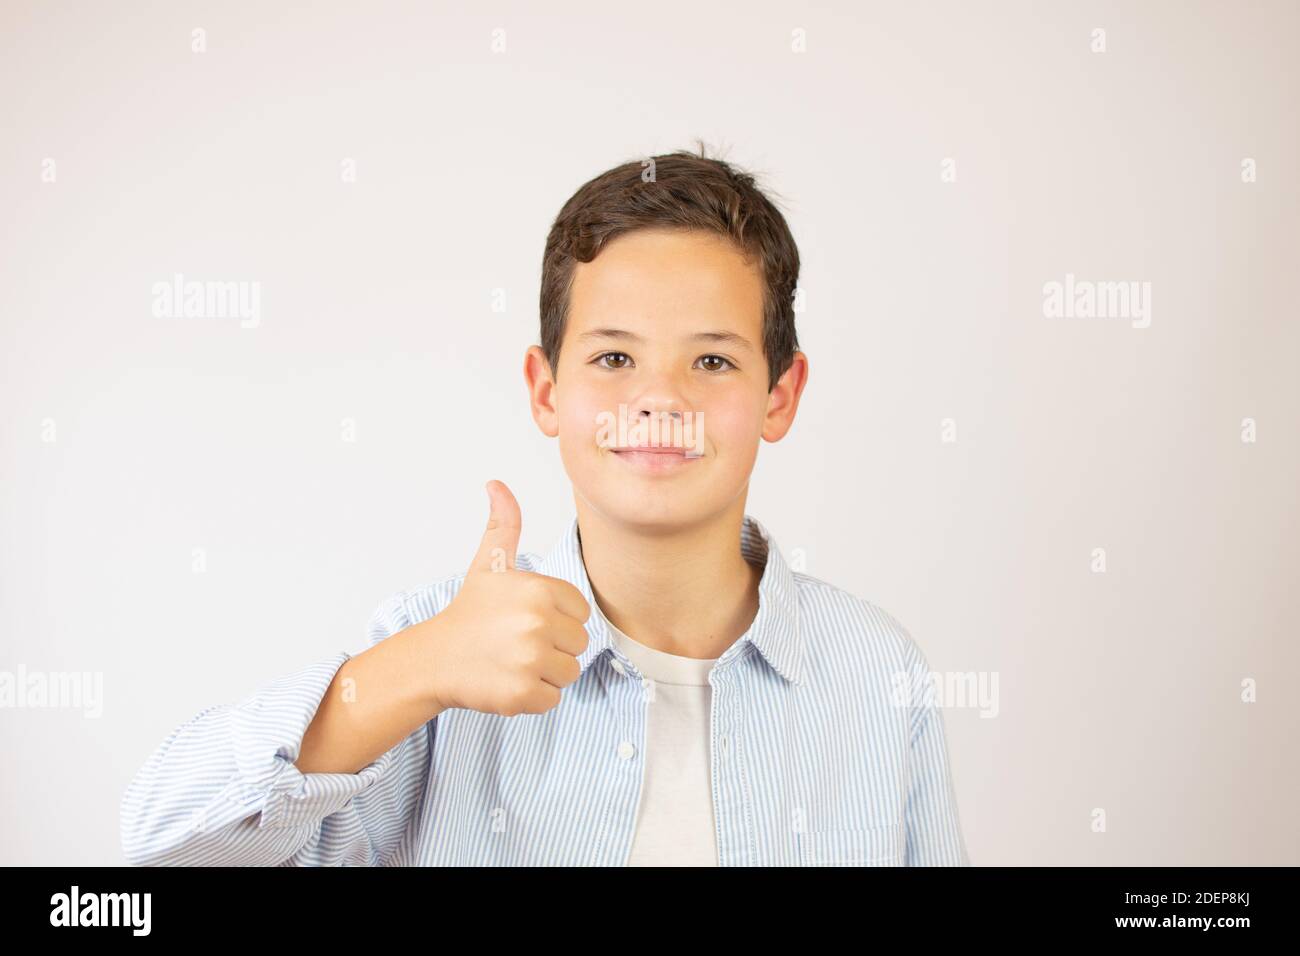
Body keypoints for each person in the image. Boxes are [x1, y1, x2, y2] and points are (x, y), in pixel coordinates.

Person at [120, 145, 970, 866]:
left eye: (711, 362)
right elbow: (159, 845)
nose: (659, 400)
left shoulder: (874, 672)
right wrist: (413, 673)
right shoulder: (438, 651)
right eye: (612, 359)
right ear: (545, 389)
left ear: (780, 395)